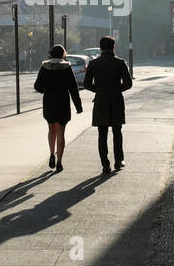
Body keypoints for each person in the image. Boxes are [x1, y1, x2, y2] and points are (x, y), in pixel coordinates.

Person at [83, 35, 132, 175]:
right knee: (117, 132)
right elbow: (128, 83)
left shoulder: (93, 64)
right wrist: (118, 89)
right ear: (113, 47)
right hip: (116, 100)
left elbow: (86, 84)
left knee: (102, 134)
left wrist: (98, 90)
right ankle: (119, 160)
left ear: (100, 47)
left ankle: (105, 164)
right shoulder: (120, 63)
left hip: (100, 101)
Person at [34, 45, 82, 173]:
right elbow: (73, 88)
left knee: (51, 130)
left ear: (50, 54)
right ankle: (59, 162)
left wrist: (46, 90)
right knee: (61, 132)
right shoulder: (67, 67)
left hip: (49, 102)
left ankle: (51, 154)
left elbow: (37, 86)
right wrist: (78, 106)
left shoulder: (44, 67)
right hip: (63, 103)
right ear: (63, 54)